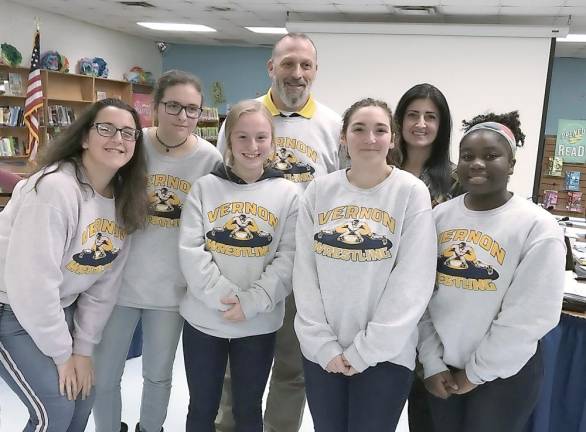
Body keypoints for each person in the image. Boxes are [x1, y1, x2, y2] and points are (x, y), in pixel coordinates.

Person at [215, 33, 342, 432]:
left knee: (293, 366)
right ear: (271, 67)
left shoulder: (333, 125)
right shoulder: (243, 118)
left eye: (306, 65)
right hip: (244, 263)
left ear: (316, 72)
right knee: (236, 365)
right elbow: (220, 185)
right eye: (288, 63)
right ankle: (227, 425)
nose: (297, 73)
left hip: (303, 268)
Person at [0, 97, 147, 432]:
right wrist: (63, 355)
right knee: (56, 405)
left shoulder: (124, 198)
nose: (118, 139)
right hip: (10, 308)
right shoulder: (55, 189)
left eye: (128, 133)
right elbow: (32, 285)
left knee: (83, 395)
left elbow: (102, 287)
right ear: (84, 137)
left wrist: (82, 351)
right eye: (106, 129)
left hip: (57, 309)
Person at [293, 98, 437, 432]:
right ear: (343, 137)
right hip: (322, 352)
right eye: (359, 129)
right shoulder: (318, 191)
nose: (370, 138)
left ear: (393, 138)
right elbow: (304, 273)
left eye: (380, 130)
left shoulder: (410, 193)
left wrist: (366, 351)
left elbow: (412, 281)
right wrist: (322, 344)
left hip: (386, 355)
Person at [418, 111, 566, 432]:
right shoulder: (439, 218)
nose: (477, 164)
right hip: (440, 369)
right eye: (467, 156)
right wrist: (430, 361)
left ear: (511, 164)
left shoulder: (538, 227)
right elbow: (420, 296)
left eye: (491, 156)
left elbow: (529, 316)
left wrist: (475, 373)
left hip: (503, 376)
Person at [93, 70, 223, 432]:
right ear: (155, 107)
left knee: (158, 375)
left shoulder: (209, 159)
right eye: (174, 106)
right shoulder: (133, 143)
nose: (182, 116)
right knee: (104, 376)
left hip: (171, 289)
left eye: (192, 109)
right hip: (118, 282)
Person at [179, 99, 298, 431]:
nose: (252, 146)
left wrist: (251, 301)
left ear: (272, 143)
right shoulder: (205, 188)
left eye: (261, 137)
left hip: (257, 323)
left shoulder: (288, 194)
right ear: (228, 140)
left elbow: (288, 258)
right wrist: (223, 297)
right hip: (204, 321)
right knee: (202, 407)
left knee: (248, 409)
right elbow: (191, 249)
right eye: (242, 137)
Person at [394, 83, 463, 432]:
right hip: (380, 304)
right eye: (413, 115)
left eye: (431, 117)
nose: (421, 123)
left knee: (426, 413)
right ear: (400, 121)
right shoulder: (379, 169)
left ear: (442, 125)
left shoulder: (456, 181)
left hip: (433, 311)